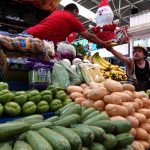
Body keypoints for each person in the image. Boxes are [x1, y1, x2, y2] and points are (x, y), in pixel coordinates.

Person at [24, 3, 113, 48]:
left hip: (26, 34)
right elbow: (90, 37)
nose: (76, 17)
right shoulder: (72, 19)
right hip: (34, 41)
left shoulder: (56, 12)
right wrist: (103, 43)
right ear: (75, 11)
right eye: (77, 14)